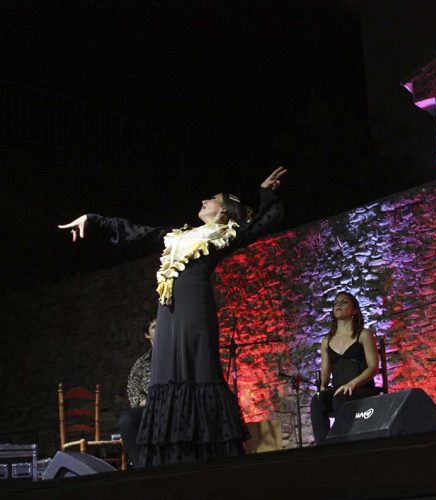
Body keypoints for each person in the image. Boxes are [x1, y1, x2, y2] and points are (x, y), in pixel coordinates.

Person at [58, 167, 286, 466]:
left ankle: (209, 459)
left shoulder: (227, 234)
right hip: (168, 313)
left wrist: (265, 192)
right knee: (167, 376)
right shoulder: (177, 238)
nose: (205, 200)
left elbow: (267, 220)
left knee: (197, 369)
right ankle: (171, 461)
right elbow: (137, 232)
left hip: (194, 310)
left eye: (213, 198)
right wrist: (93, 219)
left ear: (225, 211)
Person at [310, 292, 379, 444]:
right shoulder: (327, 340)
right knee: (318, 401)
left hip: (362, 387)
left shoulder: (364, 334)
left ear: (354, 310)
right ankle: (324, 447)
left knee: (340, 399)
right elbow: (326, 372)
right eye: (335, 303)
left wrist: (352, 384)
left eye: (343, 302)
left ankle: (344, 444)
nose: (338, 305)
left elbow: (373, 368)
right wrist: (321, 387)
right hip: (339, 389)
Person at [118, 317, 156, 466]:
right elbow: (134, 394)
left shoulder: (178, 354)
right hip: (152, 408)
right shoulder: (141, 363)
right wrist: (154, 401)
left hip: (177, 405)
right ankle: (142, 468)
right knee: (127, 419)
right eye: (154, 327)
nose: (159, 330)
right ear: (147, 334)